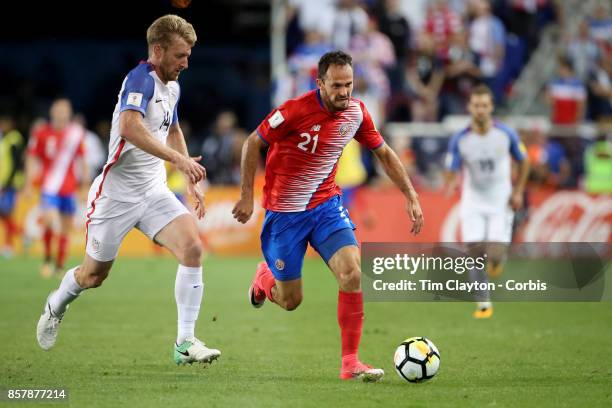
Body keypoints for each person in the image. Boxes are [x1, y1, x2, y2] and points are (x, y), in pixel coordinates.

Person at [36, 14, 221, 366]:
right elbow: (130, 127)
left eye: (188, 56)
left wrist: (188, 179)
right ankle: (56, 303)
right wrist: (178, 162)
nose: (186, 63)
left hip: (153, 190)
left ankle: (184, 342)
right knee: (93, 276)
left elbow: (174, 130)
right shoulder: (140, 80)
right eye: (180, 55)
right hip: (115, 196)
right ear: (158, 50)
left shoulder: (173, 87)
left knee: (193, 249)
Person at [232, 50, 424, 381]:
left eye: (348, 85)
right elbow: (252, 143)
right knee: (291, 301)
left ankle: (350, 362)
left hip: (325, 208)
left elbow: (384, 153)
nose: (344, 92)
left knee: (352, 273)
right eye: (336, 86)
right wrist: (247, 195)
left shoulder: (357, 113)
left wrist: (410, 193)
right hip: (285, 215)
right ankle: (264, 279)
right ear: (320, 82)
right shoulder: (293, 111)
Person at [444, 84, 530, 319]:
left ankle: (497, 260)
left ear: (491, 107)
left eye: (484, 105)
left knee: (494, 253)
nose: (480, 110)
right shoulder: (460, 139)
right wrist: (450, 182)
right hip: (473, 200)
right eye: (476, 105)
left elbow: (524, 161)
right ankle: (483, 304)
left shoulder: (506, 134)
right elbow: (451, 168)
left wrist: (519, 191)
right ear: (469, 107)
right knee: (473, 251)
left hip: (500, 200)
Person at [24, 98, 89, 277]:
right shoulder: (42, 133)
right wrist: (29, 183)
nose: (61, 113)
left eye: (64, 110)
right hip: (49, 187)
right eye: (58, 110)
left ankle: (60, 265)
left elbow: (83, 161)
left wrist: (84, 186)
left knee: (65, 228)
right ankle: (46, 259)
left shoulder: (75, 134)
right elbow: (31, 157)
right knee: (49, 220)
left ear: (69, 113)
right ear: (52, 112)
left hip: (68, 188)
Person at [0, 114, 25, 257]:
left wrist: (7, 183)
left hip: (10, 183)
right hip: (4, 182)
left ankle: (10, 244)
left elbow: (16, 163)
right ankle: (20, 235)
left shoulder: (15, 139)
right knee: (5, 215)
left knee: (6, 212)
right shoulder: (6, 139)